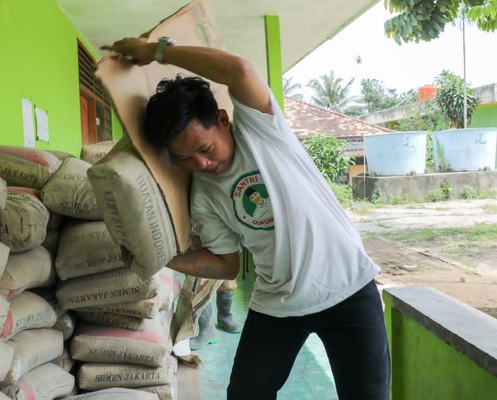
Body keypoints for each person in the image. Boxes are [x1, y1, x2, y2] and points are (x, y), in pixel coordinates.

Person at [101, 37, 390, 400]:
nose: (201, 164)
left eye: (204, 149)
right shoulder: (203, 195)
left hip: (348, 289)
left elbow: (239, 69)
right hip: (277, 303)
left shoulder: (262, 130)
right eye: (186, 159)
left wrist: (156, 52)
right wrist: (160, 256)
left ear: (222, 120)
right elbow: (225, 266)